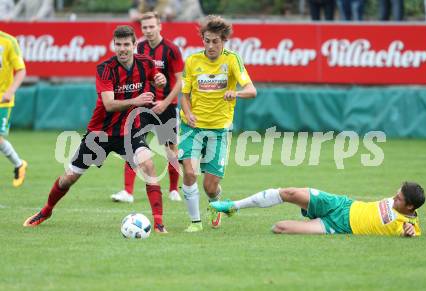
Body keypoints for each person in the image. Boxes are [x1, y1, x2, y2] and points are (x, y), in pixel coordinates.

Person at [23, 25, 169, 233]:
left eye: (127, 44)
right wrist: (136, 100)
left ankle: (159, 224)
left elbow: (158, 81)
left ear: (135, 45)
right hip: (100, 134)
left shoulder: (145, 63)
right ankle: (46, 210)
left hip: (129, 132)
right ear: (113, 45)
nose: (122, 49)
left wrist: (161, 81)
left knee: (149, 166)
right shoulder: (105, 69)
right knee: (69, 178)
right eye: (118, 44)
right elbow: (109, 104)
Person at [179, 15, 257, 232]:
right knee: (190, 173)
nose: (211, 45)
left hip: (219, 129)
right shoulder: (192, 61)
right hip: (191, 127)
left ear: (224, 41)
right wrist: (188, 113)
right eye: (207, 40)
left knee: (209, 185)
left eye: (216, 41)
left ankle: (216, 203)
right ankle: (195, 223)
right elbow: (184, 95)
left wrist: (236, 93)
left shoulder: (232, 60)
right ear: (202, 39)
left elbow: (252, 90)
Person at [111, 12, 184, 203]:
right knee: (132, 145)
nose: (149, 30)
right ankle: (128, 192)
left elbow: (180, 81)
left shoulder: (171, 50)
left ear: (160, 26)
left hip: (166, 106)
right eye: (145, 27)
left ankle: (174, 189)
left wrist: (166, 102)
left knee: (170, 148)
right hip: (143, 105)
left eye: (152, 26)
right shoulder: (139, 47)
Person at [210, 181, 425, 237]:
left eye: (398, 199)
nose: (394, 198)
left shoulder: (408, 225)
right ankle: (232, 206)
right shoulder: (401, 201)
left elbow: (413, 232)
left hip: (337, 226)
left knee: (279, 228)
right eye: (396, 194)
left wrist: (410, 234)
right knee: (289, 193)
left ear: (410, 206)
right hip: (342, 204)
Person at [0, 30, 28, 187]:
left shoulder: (8, 41)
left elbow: (21, 70)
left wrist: (10, 91)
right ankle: (19, 164)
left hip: (2, 100)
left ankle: (19, 165)